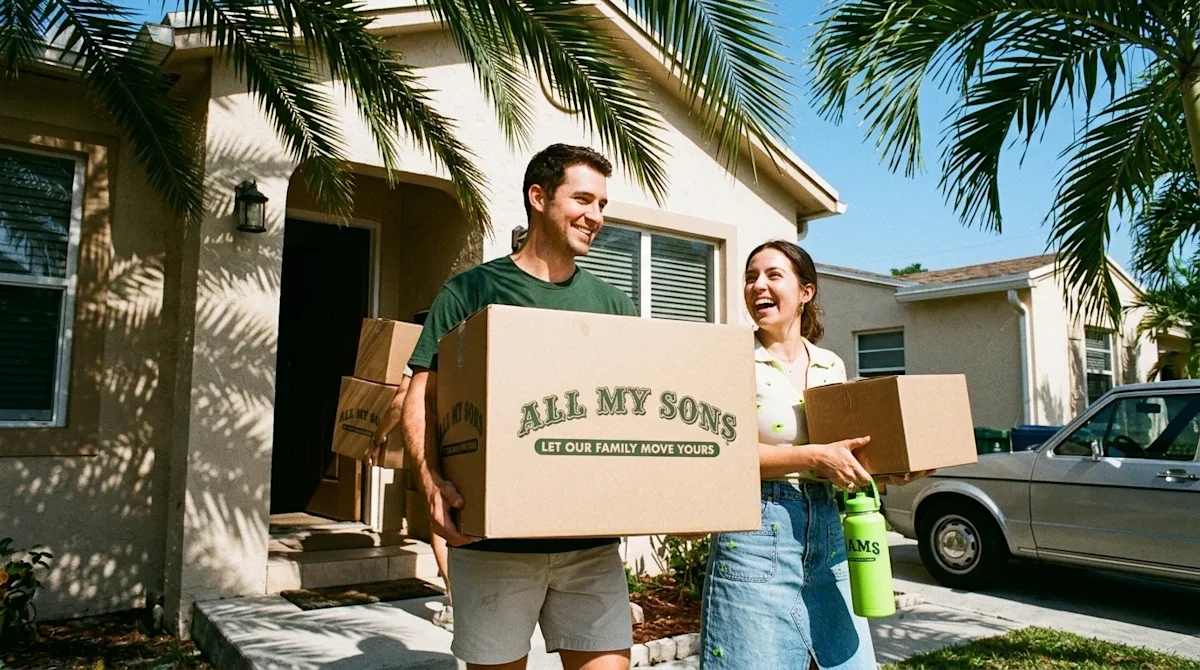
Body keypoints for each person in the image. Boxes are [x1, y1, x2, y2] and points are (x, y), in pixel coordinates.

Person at [401, 144, 638, 670]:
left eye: (602, 204)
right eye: (582, 199)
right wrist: (429, 480)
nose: (596, 217)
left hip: (590, 545)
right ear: (538, 197)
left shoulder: (614, 305)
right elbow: (423, 395)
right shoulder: (471, 291)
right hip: (493, 549)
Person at [697, 240, 930, 669]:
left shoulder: (830, 365)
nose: (757, 286)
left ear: (805, 292)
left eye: (772, 275)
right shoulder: (730, 360)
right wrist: (813, 457)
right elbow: (719, 454)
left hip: (829, 534)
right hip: (754, 537)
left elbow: (842, 456)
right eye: (750, 277)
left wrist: (881, 472)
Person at [370, 312, 455, 633]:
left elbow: (402, 400)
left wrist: (376, 438)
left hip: (443, 443)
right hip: (474, 436)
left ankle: (455, 601)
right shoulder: (469, 344)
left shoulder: (428, 352)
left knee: (441, 518)